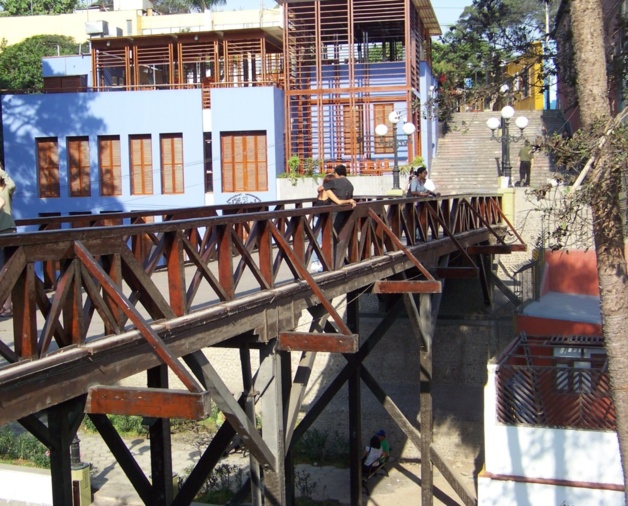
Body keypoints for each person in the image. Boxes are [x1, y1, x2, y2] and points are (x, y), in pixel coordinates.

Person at [310, 174, 356, 273]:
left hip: (319, 216)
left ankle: (319, 262)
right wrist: (349, 200)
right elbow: (338, 202)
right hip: (320, 216)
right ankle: (316, 262)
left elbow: (319, 190)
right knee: (320, 240)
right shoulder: (328, 191)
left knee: (319, 239)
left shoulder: (322, 190)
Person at [319, 164, 355, 234]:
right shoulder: (350, 185)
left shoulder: (335, 182)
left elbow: (320, 188)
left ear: (336, 173)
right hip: (344, 213)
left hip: (333, 211)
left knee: (329, 234)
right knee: (338, 233)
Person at [0, 165, 16, 317]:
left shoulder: (5, 189)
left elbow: (12, 184)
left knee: (6, 269)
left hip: (6, 230)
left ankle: (6, 305)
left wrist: (0, 170)